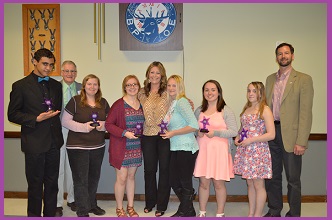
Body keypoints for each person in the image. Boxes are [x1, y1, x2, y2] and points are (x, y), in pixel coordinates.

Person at [7, 48, 63, 217]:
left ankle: (50, 214)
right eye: (45, 64)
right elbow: (12, 114)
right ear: (34, 62)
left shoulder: (56, 85)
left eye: (51, 65)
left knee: (53, 183)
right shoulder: (20, 86)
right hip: (34, 142)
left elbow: (57, 110)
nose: (48, 68)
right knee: (35, 184)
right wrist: (35, 119)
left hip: (54, 141)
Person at [264, 42, 314, 217]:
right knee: (272, 176)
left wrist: (302, 141)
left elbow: (306, 112)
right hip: (272, 134)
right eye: (279, 53)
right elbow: (265, 108)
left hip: (292, 137)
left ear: (292, 56)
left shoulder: (303, 79)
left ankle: (294, 213)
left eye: (286, 53)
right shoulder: (270, 79)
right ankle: (274, 209)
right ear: (276, 57)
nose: (282, 56)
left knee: (293, 179)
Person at [61, 74, 110, 217]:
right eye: (89, 84)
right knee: (81, 179)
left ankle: (92, 205)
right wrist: (84, 127)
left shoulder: (104, 103)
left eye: (95, 84)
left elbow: (111, 122)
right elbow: (65, 121)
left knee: (94, 178)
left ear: (98, 87)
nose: (92, 87)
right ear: (84, 86)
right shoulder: (75, 101)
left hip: (98, 146)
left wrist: (103, 126)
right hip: (77, 148)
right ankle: (82, 210)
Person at [193, 80, 238, 217]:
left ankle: (220, 213)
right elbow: (194, 129)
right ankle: (202, 211)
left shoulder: (226, 110)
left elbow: (234, 131)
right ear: (203, 93)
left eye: (213, 89)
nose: (210, 93)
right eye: (206, 90)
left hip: (219, 153)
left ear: (218, 92)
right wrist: (197, 132)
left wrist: (216, 133)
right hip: (203, 152)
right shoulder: (199, 111)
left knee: (219, 185)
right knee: (203, 184)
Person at [233, 81, 275, 217]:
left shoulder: (265, 109)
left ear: (260, 93)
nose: (250, 94)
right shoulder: (247, 109)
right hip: (246, 151)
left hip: (258, 151)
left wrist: (251, 140)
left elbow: (271, 134)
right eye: (249, 90)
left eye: (254, 91)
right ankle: (251, 213)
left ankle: (257, 215)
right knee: (250, 183)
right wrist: (238, 137)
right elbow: (243, 129)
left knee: (258, 184)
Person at [105, 75, 144, 217]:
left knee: (131, 177)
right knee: (121, 178)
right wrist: (124, 133)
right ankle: (119, 208)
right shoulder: (119, 104)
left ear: (138, 87)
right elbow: (108, 125)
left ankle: (130, 207)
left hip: (136, 146)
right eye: (129, 85)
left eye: (134, 84)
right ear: (124, 88)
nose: (132, 87)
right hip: (121, 146)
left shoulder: (141, 104)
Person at [160, 74, 199, 217]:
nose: (170, 88)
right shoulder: (173, 104)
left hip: (186, 147)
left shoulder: (182, 102)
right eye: (169, 85)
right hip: (176, 147)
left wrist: (173, 133)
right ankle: (189, 208)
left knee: (184, 181)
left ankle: (184, 210)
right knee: (173, 179)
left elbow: (194, 125)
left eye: (174, 85)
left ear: (180, 87)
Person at [137, 61, 171, 217]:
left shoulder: (168, 92)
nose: (155, 75)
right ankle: (150, 203)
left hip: (164, 136)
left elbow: (179, 103)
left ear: (162, 75)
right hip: (148, 135)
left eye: (158, 73)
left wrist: (189, 102)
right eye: (152, 72)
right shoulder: (141, 92)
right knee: (149, 171)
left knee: (164, 171)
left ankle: (162, 205)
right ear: (148, 74)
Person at [56, 60, 81, 217]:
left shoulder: (82, 88)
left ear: (76, 73)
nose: (70, 74)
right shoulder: (54, 88)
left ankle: (72, 199)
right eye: (66, 71)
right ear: (62, 72)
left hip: (76, 132)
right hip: (58, 131)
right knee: (58, 168)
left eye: (72, 71)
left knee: (73, 168)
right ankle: (57, 202)